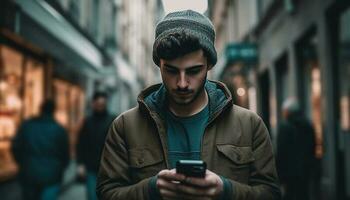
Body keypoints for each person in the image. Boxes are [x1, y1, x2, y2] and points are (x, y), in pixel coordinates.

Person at [97, 10, 281, 200]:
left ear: (209, 65)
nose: (182, 83)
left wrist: (225, 190)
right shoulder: (125, 126)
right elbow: (106, 193)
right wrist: (151, 190)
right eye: (171, 70)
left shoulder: (250, 125)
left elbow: (271, 193)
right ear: (159, 65)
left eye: (194, 71)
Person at [11, 99, 69, 200]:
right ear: (53, 111)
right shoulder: (59, 130)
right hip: (51, 175)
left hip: (29, 173)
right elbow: (65, 154)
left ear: (40, 109)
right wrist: (60, 168)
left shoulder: (27, 125)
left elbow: (16, 146)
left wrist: (22, 163)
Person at [76, 92, 115, 200]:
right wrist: (80, 164)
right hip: (91, 167)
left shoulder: (113, 120)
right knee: (92, 196)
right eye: (98, 104)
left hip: (109, 169)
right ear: (93, 104)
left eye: (102, 104)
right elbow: (81, 143)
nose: (100, 106)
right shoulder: (87, 121)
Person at [276, 98, 316, 200]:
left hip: (289, 171)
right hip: (305, 169)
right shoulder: (307, 125)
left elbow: (281, 151)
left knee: (289, 195)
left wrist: (279, 174)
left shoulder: (285, 126)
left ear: (287, 112)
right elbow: (312, 146)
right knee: (303, 194)